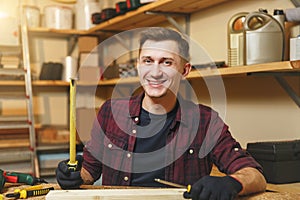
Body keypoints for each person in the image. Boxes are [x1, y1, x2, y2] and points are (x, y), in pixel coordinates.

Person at [56, 27, 267, 199]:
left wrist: (232, 182)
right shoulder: (110, 112)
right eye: (148, 61)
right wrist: (73, 175)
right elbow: (89, 172)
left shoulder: (204, 120)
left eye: (167, 62)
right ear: (138, 65)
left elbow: (255, 176)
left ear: (184, 70)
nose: (155, 73)